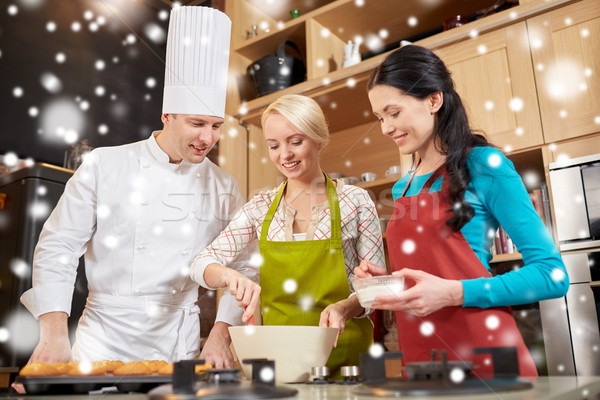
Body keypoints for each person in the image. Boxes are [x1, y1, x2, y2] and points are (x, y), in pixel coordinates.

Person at [20, 6, 249, 367]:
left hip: (177, 344)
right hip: (101, 343)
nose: (208, 138)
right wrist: (53, 335)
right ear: (167, 116)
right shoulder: (104, 164)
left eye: (216, 126)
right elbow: (59, 247)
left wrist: (222, 335)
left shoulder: (225, 186)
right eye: (197, 123)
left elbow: (246, 267)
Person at [355, 44, 569, 377]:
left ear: (433, 100)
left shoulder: (485, 166)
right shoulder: (403, 187)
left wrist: (455, 293)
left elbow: (553, 275)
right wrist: (383, 283)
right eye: (379, 117)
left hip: (487, 359)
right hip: (425, 363)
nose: (385, 127)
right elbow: (423, 279)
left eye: (393, 113)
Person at [190, 94, 385, 375]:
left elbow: (377, 288)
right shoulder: (260, 207)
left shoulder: (355, 201)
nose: (284, 155)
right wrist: (230, 276)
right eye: (273, 145)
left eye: (296, 142)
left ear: (319, 139)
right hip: (281, 362)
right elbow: (201, 264)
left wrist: (345, 307)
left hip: (347, 359)